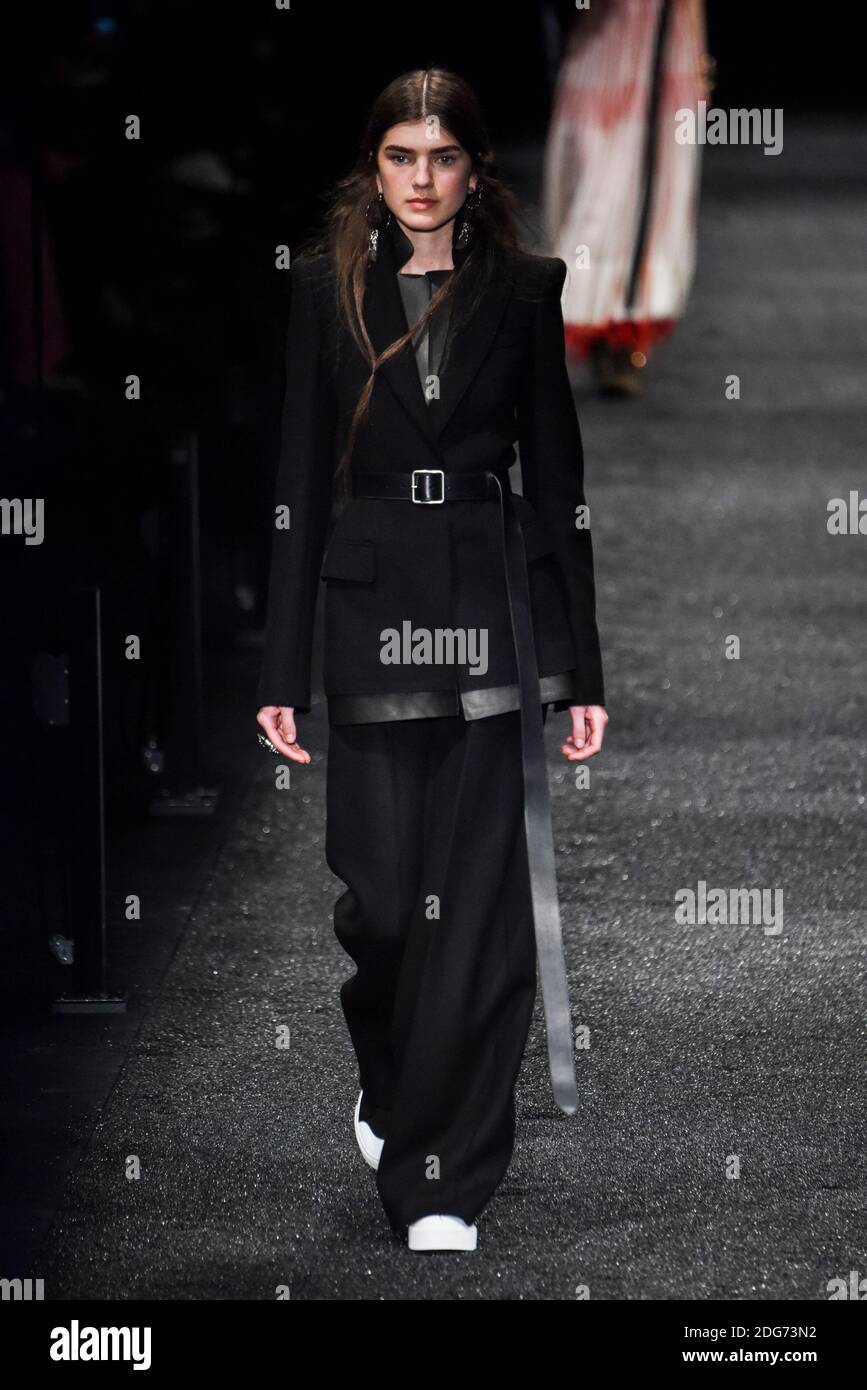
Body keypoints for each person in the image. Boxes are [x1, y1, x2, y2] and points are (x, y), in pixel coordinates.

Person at [256, 67, 608, 1252]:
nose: (420, 179)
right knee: (385, 906)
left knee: (483, 916)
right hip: (364, 617)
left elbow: (558, 491)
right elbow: (298, 486)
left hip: (488, 621)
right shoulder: (321, 292)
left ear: (474, 169)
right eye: (401, 156)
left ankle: (442, 1176)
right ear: (375, 166)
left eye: (441, 157)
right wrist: (276, 667)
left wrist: (578, 668)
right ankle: (394, 1078)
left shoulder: (523, 290)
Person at [542, 0, 709, 395]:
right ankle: (574, 310)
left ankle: (619, 330)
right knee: (595, 184)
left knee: (645, 187)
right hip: (603, 38)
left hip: (661, 42)